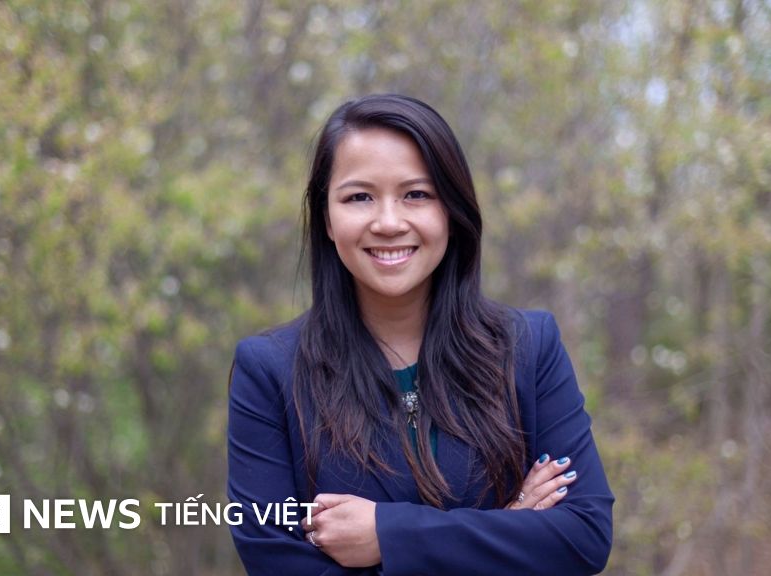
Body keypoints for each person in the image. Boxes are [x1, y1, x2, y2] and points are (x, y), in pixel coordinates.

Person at [227, 94, 613, 575]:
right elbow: (276, 564)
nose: (389, 223)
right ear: (326, 217)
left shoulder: (529, 347)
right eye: (359, 197)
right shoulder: (269, 372)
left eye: (416, 195)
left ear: (451, 210)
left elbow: (583, 537)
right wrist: (510, 525)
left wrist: (388, 534)